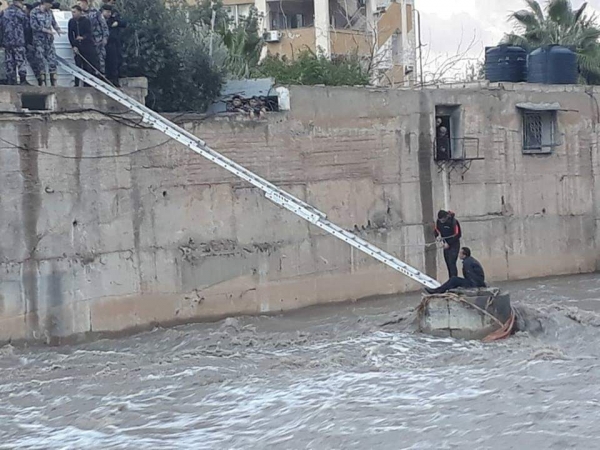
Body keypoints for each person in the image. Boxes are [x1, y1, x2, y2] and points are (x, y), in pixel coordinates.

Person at [30, 0, 61, 86]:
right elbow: (34, 25)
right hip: (39, 41)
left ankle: (53, 81)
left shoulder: (49, 12)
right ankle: (42, 82)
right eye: (49, 4)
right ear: (44, 3)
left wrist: (58, 29)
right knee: (40, 61)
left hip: (49, 41)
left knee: (52, 60)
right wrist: (46, 30)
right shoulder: (34, 12)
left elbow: (53, 22)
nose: (51, 6)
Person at [68, 4, 99, 86]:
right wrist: (73, 45)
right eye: (72, 12)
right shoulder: (71, 22)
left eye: (74, 12)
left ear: (79, 12)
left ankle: (87, 84)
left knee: (87, 66)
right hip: (77, 47)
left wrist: (83, 37)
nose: (73, 14)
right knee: (77, 65)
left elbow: (89, 33)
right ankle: (76, 83)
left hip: (87, 46)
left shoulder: (86, 21)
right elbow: (70, 35)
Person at [1, 0, 28, 85]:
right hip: (19, 41)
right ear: (18, 2)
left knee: (9, 62)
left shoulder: (4, 12)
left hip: (7, 42)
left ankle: (11, 81)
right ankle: (23, 80)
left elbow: (1, 27)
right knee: (21, 61)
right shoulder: (21, 13)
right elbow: (27, 26)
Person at [79, 0, 108, 74]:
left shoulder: (96, 12)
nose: (79, 5)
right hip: (87, 41)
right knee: (88, 61)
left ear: (86, 2)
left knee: (100, 59)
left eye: (80, 3)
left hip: (98, 40)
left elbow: (104, 25)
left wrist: (105, 37)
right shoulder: (80, 14)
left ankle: (101, 76)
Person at [101, 3, 125, 86]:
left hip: (113, 43)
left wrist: (117, 22)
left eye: (110, 12)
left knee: (115, 61)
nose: (109, 14)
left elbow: (124, 23)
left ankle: (115, 79)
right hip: (102, 44)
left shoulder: (113, 19)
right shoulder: (99, 20)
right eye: (107, 12)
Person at [434, 209, 462, 279]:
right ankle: (451, 280)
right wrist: (437, 237)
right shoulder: (439, 222)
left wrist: (448, 243)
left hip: (454, 244)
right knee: (448, 264)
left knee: (452, 263)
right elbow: (436, 230)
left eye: (443, 220)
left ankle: (454, 280)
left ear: (446, 217)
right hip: (445, 243)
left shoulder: (453, 221)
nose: (441, 221)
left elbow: (458, 234)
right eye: (440, 220)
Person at [24, 3, 42, 83]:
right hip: (29, 44)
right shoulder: (27, 19)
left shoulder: (30, 20)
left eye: (26, 9)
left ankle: (40, 79)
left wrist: (28, 43)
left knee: (35, 63)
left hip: (31, 45)